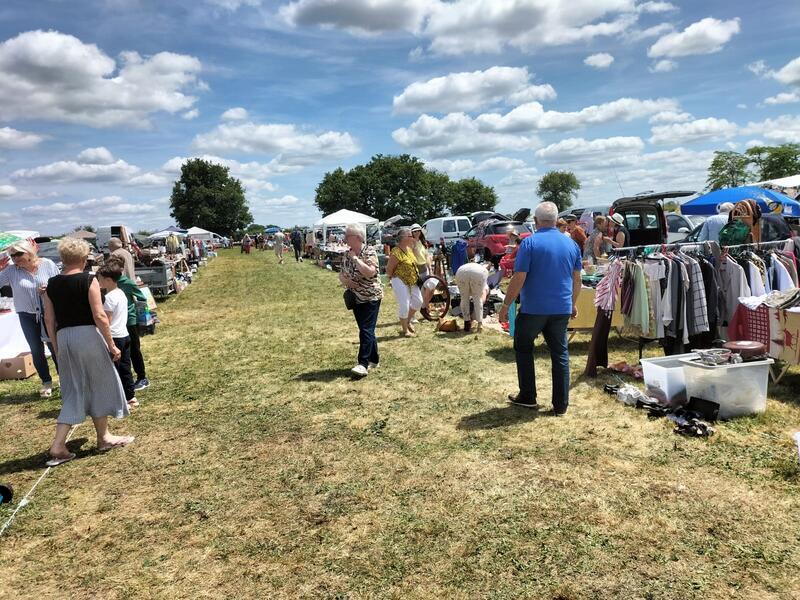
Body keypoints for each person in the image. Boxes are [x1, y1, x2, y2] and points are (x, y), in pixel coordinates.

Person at [42, 238, 133, 466]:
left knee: (74, 389)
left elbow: (49, 319)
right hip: (87, 336)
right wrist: (111, 344)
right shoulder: (89, 280)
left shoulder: (51, 284)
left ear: (62, 259)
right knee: (101, 382)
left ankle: (95, 437)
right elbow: (99, 315)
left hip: (64, 338)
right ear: (84, 259)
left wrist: (56, 345)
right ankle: (88, 440)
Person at [499, 202, 582, 415]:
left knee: (523, 347)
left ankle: (528, 395)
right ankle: (561, 404)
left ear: (536, 222)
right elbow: (577, 279)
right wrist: (572, 303)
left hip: (534, 308)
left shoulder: (529, 243)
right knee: (560, 353)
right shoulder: (571, 244)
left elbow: (519, 277)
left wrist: (506, 304)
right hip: (561, 308)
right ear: (556, 220)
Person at [0, 240, 60, 397]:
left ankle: (64, 377)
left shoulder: (47, 264)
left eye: (19, 254)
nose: (15, 258)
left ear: (29, 252)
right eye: (12, 255)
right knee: (36, 349)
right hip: (26, 315)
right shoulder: (11, 271)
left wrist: (49, 288)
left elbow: (59, 284)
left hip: (49, 312)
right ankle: (46, 381)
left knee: (54, 346)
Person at [339, 223, 383, 377]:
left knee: (366, 329)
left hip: (371, 296)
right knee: (366, 329)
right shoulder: (346, 254)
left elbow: (370, 272)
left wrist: (356, 259)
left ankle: (363, 364)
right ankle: (374, 359)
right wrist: (347, 282)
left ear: (357, 237)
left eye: (347, 236)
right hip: (355, 298)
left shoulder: (369, 252)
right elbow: (341, 274)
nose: (344, 238)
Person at [96, 262, 138, 409]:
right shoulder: (120, 293)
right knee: (125, 368)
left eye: (100, 278)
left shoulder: (109, 298)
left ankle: (119, 400)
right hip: (124, 334)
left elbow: (106, 321)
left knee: (114, 371)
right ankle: (130, 397)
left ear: (108, 280)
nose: (98, 281)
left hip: (114, 337)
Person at [106, 255, 150, 391]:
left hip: (130, 321)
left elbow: (142, 298)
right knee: (120, 353)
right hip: (115, 323)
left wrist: (134, 309)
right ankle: (123, 381)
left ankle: (142, 377)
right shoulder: (106, 283)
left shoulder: (127, 283)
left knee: (134, 350)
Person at [385, 227, 422, 337]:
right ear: (403, 238)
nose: (412, 237)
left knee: (418, 301)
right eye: (410, 235)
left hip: (412, 280)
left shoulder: (409, 249)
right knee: (404, 304)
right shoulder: (396, 252)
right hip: (399, 280)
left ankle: (408, 320)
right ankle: (405, 330)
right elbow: (389, 270)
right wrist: (394, 280)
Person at [455, 260, 489, 333]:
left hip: (461, 272)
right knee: (477, 298)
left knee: (464, 298)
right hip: (479, 273)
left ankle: (467, 323)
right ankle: (480, 324)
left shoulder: (480, 268)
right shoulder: (485, 276)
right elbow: (483, 294)